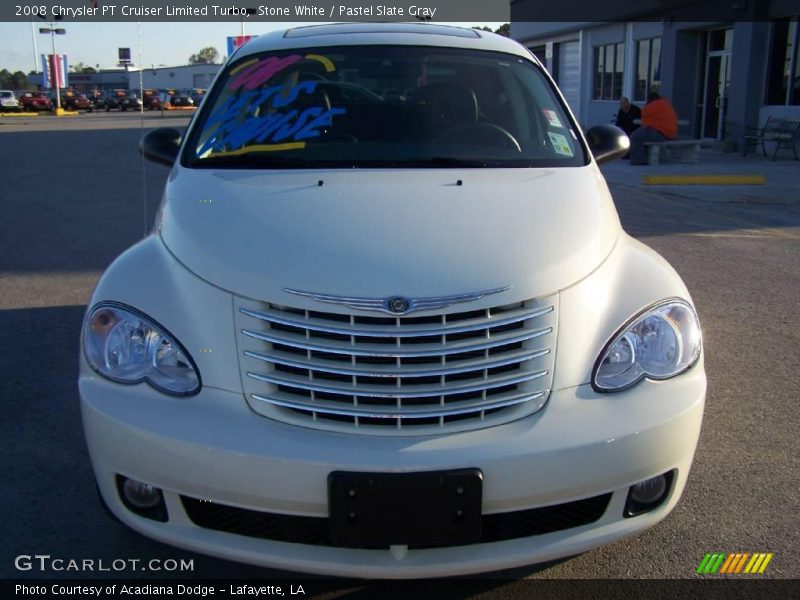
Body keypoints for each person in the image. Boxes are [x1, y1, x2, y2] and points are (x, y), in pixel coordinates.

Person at [629, 92, 679, 165]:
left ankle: (638, 160)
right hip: (669, 134)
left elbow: (644, 112)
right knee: (641, 134)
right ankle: (643, 158)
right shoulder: (666, 104)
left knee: (635, 136)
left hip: (661, 134)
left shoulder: (654, 105)